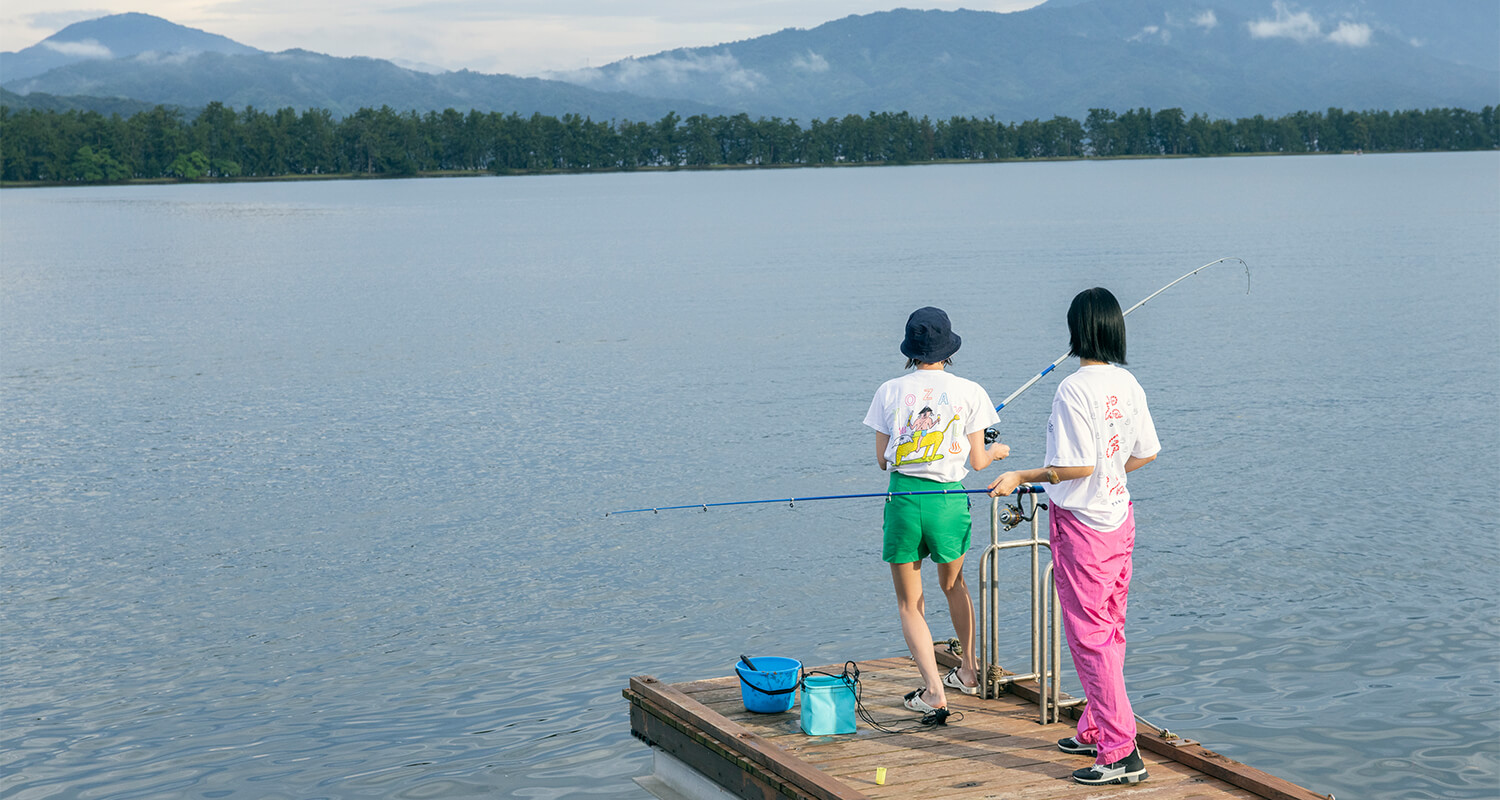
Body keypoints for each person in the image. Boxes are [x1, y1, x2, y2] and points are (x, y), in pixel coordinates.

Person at [988, 287, 1160, 786]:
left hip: (1084, 528)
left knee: (1089, 637)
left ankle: (1119, 751)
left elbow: (1075, 465)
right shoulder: (1128, 383)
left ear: (1075, 331)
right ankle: (1095, 724)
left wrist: (1022, 476)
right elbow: (1145, 452)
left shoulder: (1073, 388)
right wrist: (1113, 474)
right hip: (1119, 519)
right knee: (1110, 628)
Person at [864, 307, 1010, 718]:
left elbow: (882, 460)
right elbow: (979, 462)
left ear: (910, 349)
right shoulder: (971, 391)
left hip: (905, 501)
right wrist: (998, 450)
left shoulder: (888, 390)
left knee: (910, 604)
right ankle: (968, 671)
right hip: (948, 500)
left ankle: (932, 690)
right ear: (948, 349)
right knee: (954, 584)